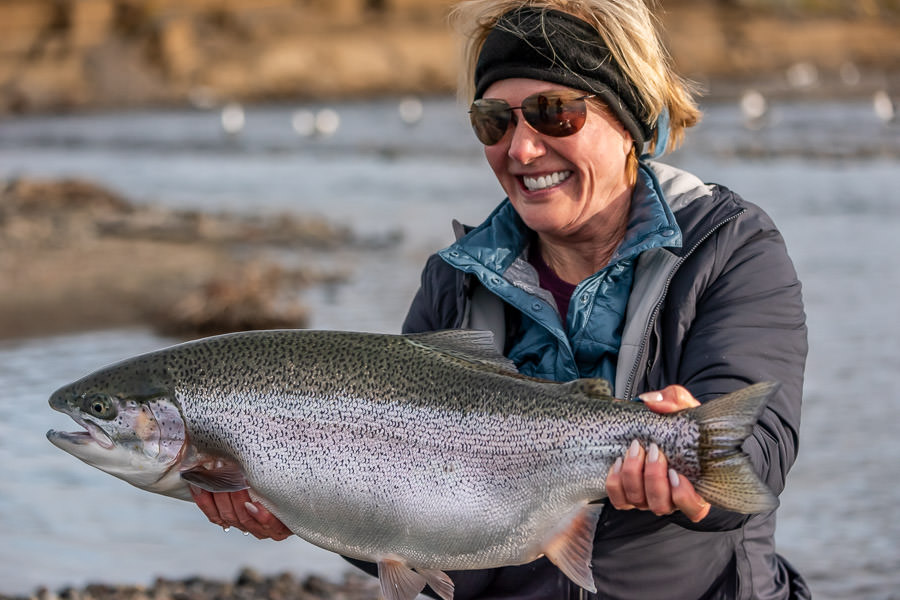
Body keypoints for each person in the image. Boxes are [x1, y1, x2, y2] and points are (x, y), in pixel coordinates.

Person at [190, 0, 809, 597]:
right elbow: (414, 524)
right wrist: (293, 502)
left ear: (630, 120)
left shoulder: (728, 249)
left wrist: (695, 480)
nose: (521, 148)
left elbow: (759, 459)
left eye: (553, 112)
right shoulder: (453, 282)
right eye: (494, 120)